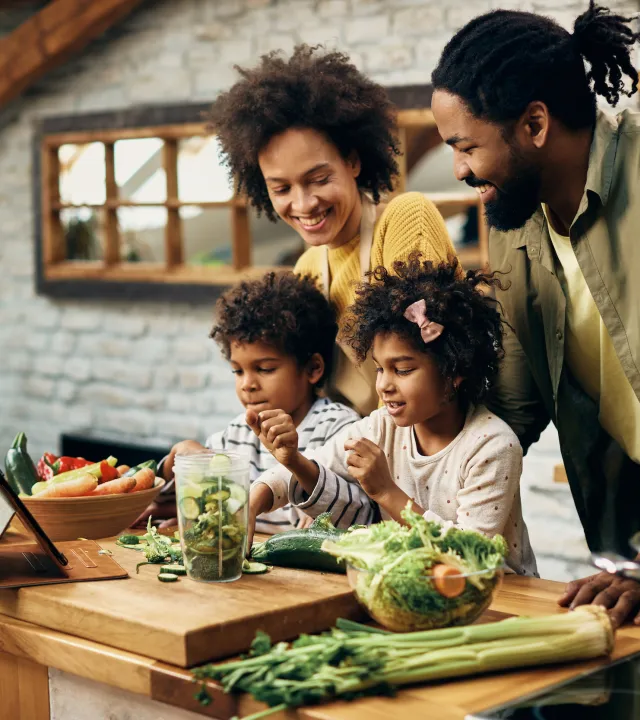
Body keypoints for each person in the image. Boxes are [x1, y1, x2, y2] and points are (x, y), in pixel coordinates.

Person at [430, 1, 640, 625]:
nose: (459, 170)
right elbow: (515, 404)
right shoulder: (516, 217)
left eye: (465, 146)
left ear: (534, 123)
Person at [247, 256, 537, 577]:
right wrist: (253, 502)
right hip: (417, 590)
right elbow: (315, 462)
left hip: (500, 597)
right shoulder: (381, 426)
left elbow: (470, 554)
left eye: (402, 370)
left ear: (454, 371)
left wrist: (386, 492)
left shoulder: (491, 445)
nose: (384, 385)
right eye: (379, 369)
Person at [210, 45, 460, 416]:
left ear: (353, 161)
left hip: (428, 454)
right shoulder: (308, 267)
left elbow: (422, 367)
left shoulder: (406, 218)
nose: (304, 203)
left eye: (319, 179)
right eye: (281, 188)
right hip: (347, 458)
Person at [143, 272, 359, 534]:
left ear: (313, 368)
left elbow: (350, 510)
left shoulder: (338, 428)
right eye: (238, 371)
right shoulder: (237, 434)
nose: (248, 384)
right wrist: (177, 460)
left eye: (265, 369)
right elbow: (162, 503)